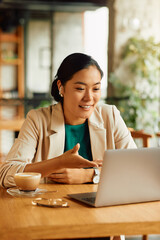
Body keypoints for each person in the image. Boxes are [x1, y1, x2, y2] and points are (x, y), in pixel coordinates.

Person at [0, 53, 136, 188]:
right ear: (61, 87)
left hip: (99, 205)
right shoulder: (37, 120)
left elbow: (135, 167)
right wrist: (59, 162)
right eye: (80, 88)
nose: (89, 97)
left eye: (96, 89)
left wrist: (89, 175)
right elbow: (6, 175)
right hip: (50, 205)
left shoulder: (110, 115)